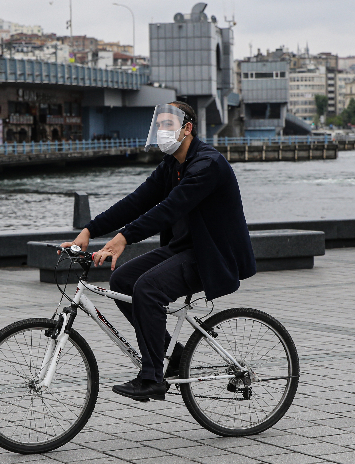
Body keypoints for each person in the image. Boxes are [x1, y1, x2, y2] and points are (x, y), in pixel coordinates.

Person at [61, 102, 256, 402]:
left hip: (212, 256)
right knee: (123, 280)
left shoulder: (207, 164)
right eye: (159, 125)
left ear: (187, 128)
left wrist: (124, 238)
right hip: (184, 248)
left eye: (168, 125)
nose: (162, 131)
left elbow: (169, 209)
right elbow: (136, 202)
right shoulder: (171, 166)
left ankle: (153, 378)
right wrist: (89, 230)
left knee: (148, 289)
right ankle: (173, 355)